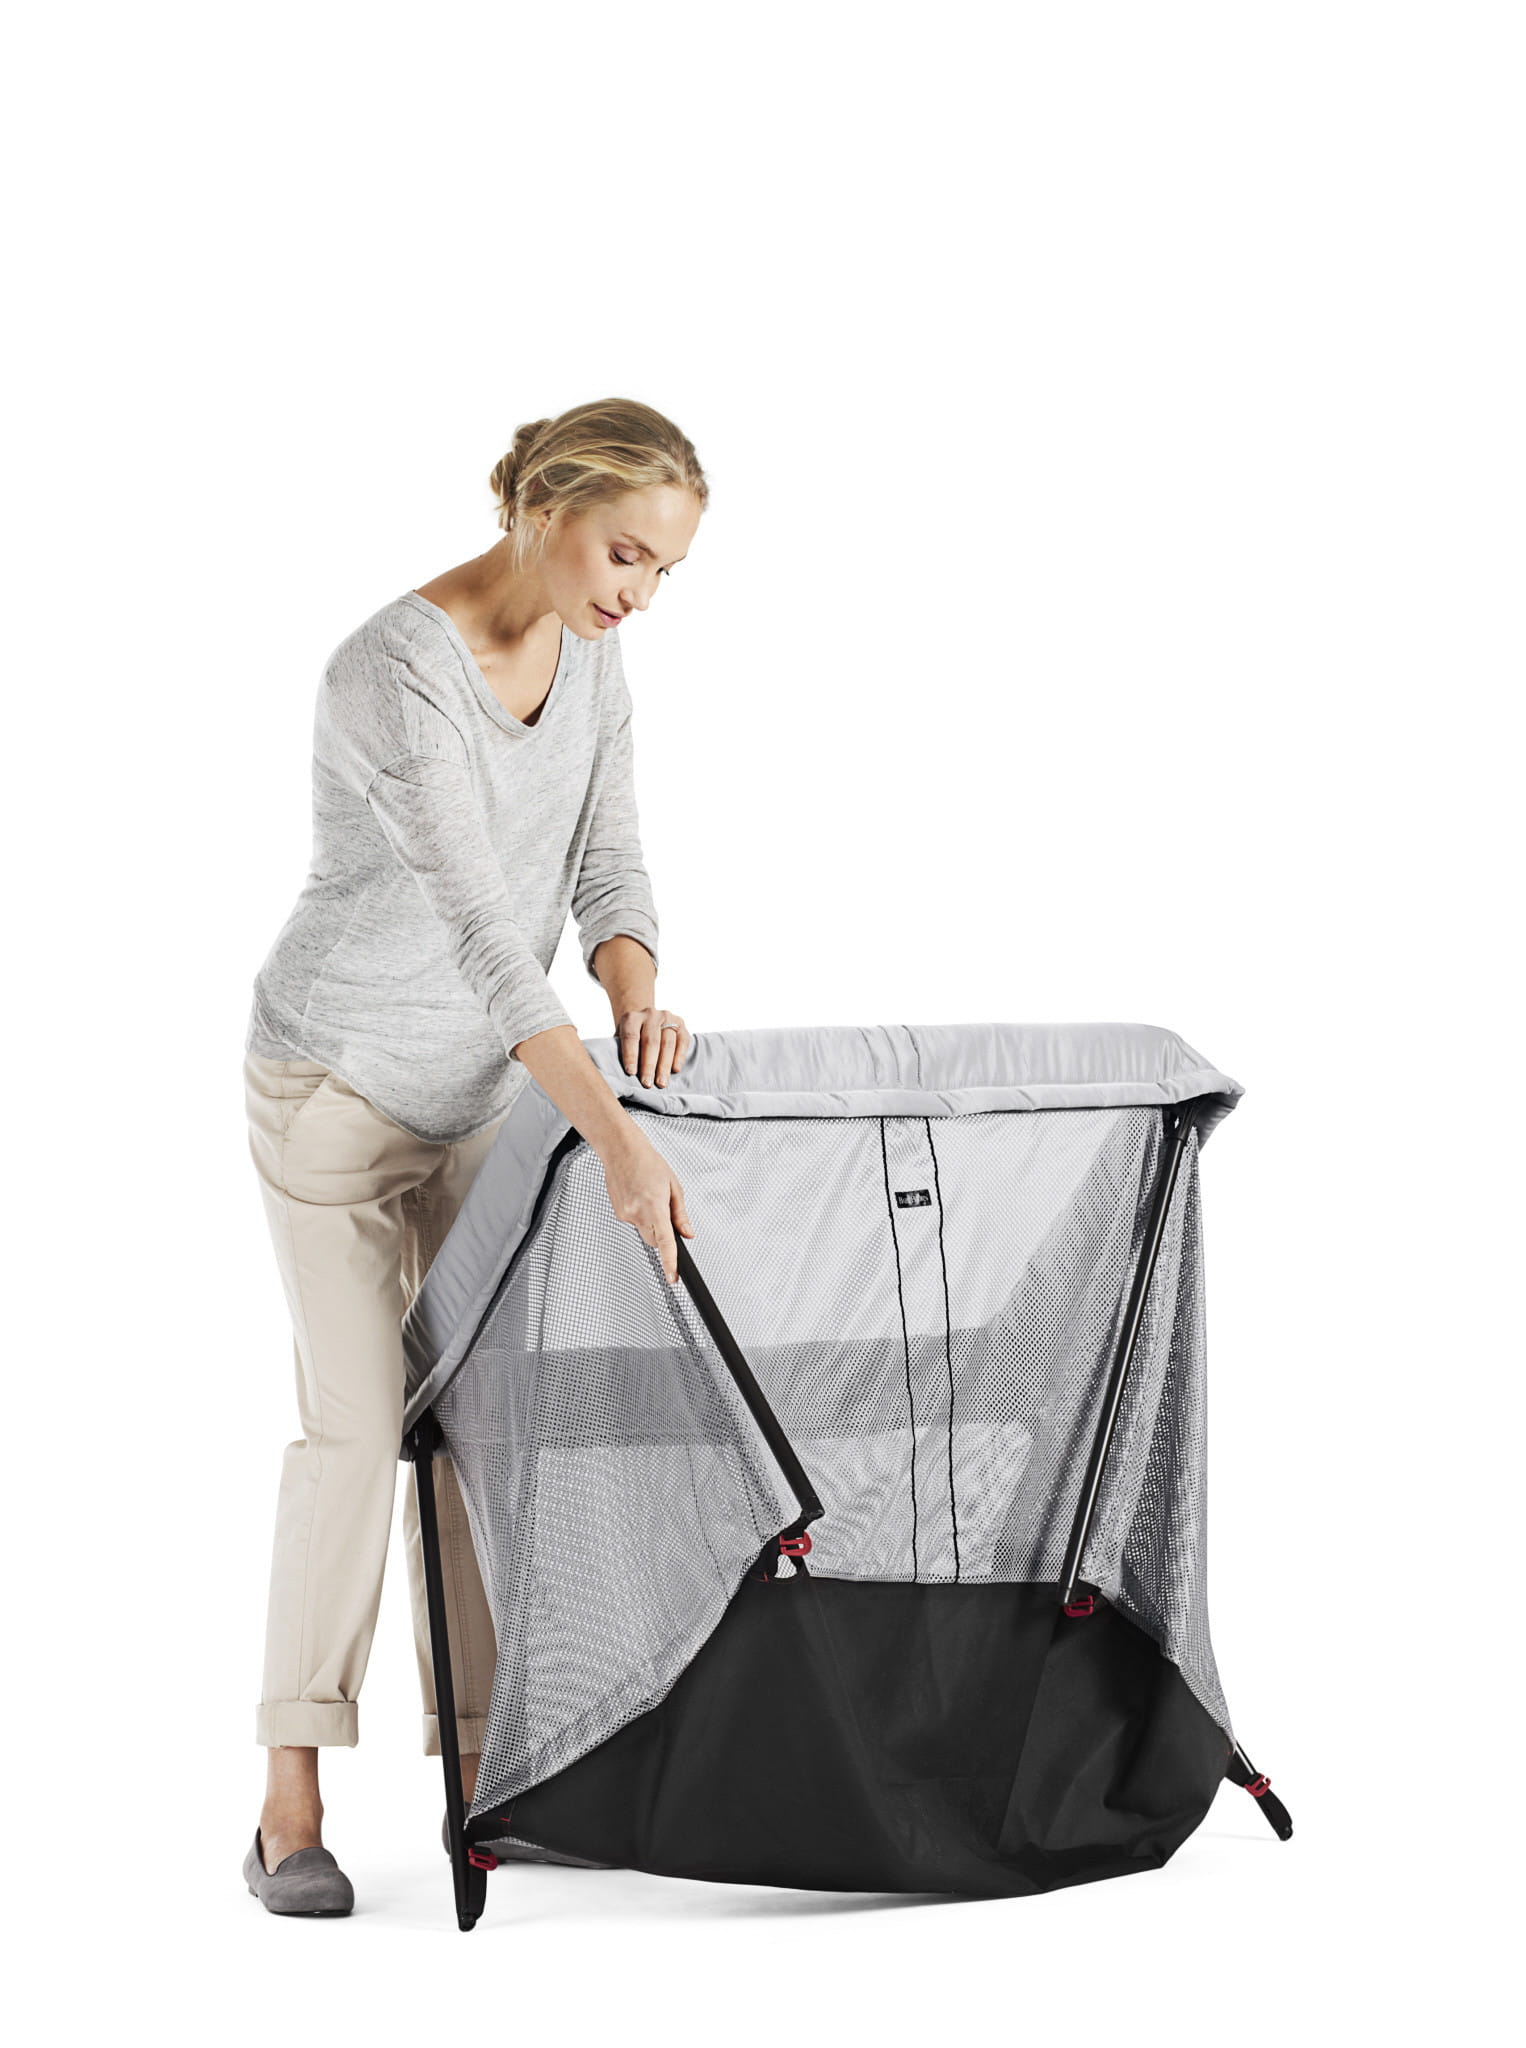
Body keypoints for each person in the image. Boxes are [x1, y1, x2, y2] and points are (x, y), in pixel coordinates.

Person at [240, 396, 704, 1916]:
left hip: (479, 1096)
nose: (640, 593)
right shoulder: (391, 673)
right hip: (335, 1087)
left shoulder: (594, 647)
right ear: (542, 510)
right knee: (358, 1430)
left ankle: (487, 1767)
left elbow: (607, 863)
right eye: (625, 553)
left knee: (486, 1426)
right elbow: (491, 945)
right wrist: (614, 1139)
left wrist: (635, 994)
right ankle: (287, 1802)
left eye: (664, 570)